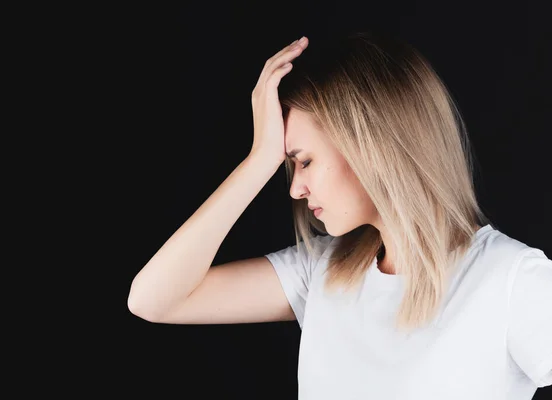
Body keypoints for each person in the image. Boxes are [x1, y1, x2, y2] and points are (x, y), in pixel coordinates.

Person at [127, 32, 552, 399]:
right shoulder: (325, 271)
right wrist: (259, 160)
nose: (294, 188)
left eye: (305, 161)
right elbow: (153, 300)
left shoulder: (513, 280)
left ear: (372, 147)